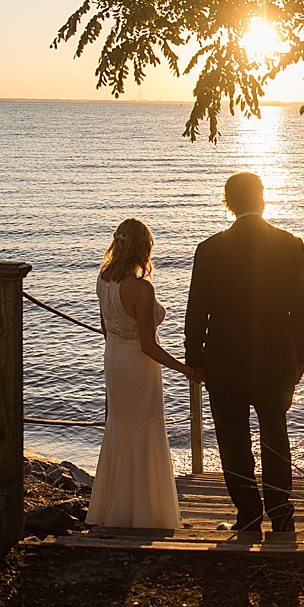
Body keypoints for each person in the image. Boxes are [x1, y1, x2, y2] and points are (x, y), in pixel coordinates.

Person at [185, 172, 304, 534]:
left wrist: (195, 358)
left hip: (224, 362)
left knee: (233, 440)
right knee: (276, 435)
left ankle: (248, 514)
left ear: (228, 202)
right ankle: (281, 511)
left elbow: (197, 311)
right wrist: (299, 358)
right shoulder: (290, 244)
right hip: (276, 362)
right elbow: (302, 310)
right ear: (262, 199)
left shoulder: (209, 249)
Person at [85, 218, 193, 530]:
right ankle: (147, 515)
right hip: (139, 367)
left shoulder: (104, 279)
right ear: (143, 248)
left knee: (119, 428)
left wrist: (120, 347)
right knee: (145, 430)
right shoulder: (141, 289)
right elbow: (148, 345)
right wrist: (185, 369)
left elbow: (107, 328)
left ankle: (114, 509)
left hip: (115, 359)